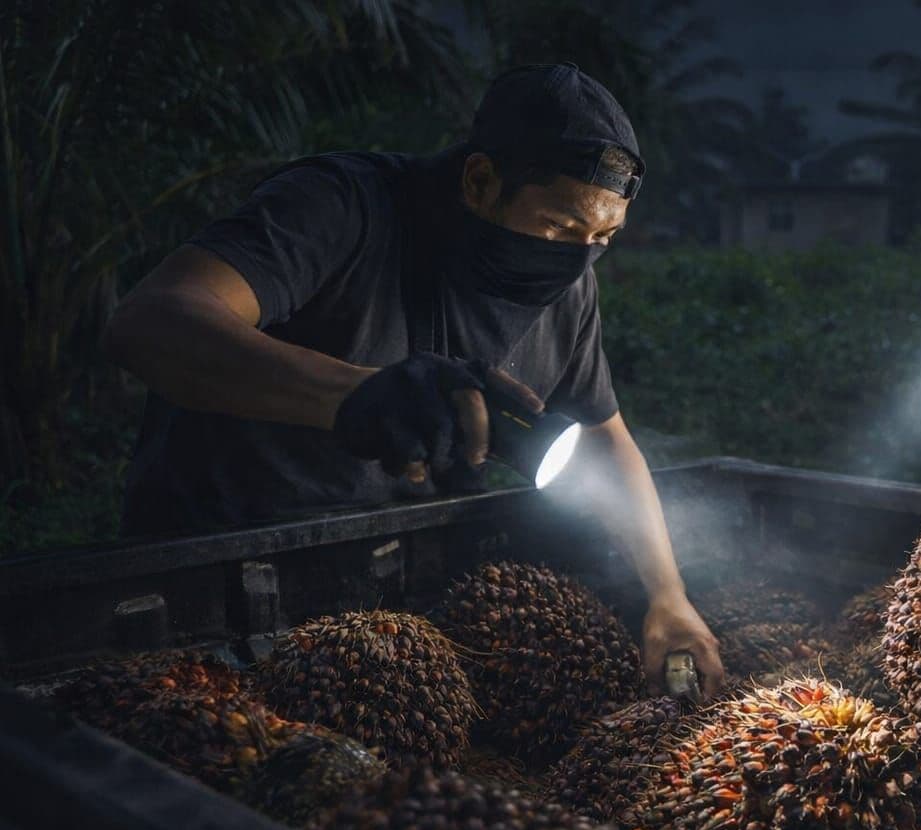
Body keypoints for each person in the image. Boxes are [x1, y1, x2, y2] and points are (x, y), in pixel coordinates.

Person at [104, 63, 724, 693]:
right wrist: (353, 395)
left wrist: (667, 595)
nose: (580, 254)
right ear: (481, 179)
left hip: (387, 611)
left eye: (604, 237)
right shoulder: (343, 205)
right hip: (215, 593)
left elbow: (604, 440)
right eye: (560, 228)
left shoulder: (571, 287)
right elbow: (151, 323)